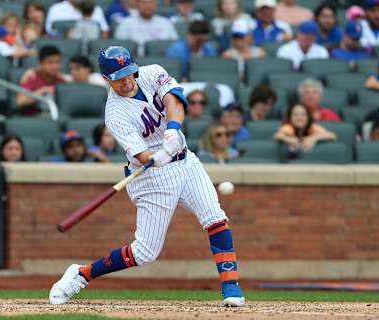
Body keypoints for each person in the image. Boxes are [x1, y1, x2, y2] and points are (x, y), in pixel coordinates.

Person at [49, 46, 246, 307]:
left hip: (186, 162)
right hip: (151, 177)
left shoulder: (152, 72)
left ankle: (230, 286)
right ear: (106, 79)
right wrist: (158, 156)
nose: (126, 80)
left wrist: (173, 130)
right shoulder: (115, 113)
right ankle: (81, 274)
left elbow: (174, 99)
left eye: (128, 73)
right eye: (118, 77)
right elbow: (142, 156)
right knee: (145, 252)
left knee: (215, 217)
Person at [16, 45, 66, 114]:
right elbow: (20, 101)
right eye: (50, 62)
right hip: (35, 119)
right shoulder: (32, 77)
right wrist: (43, 91)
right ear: (41, 63)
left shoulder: (61, 80)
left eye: (57, 62)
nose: (55, 66)